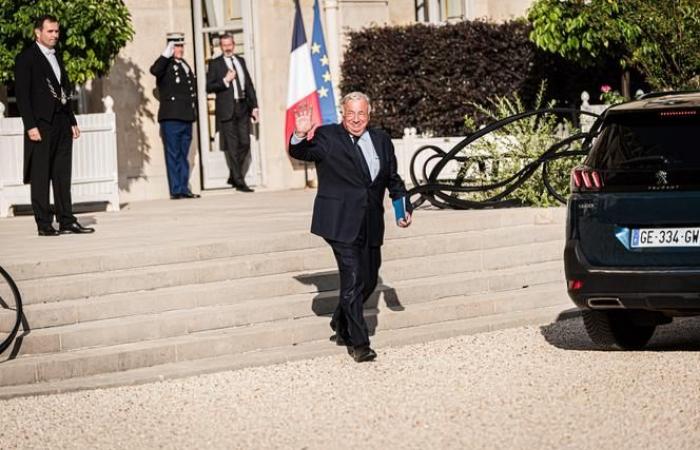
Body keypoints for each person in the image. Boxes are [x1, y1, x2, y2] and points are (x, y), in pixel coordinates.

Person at [289, 91, 413, 363]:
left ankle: (340, 322)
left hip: (371, 222)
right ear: (343, 113)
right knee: (354, 278)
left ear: (369, 114)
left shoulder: (381, 140)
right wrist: (299, 135)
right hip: (339, 220)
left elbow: (393, 179)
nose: (356, 119)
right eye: (351, 113)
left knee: (368, 279)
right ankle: (359, 343)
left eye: (362, 114)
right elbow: (302, 152)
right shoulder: (327, 136)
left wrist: (403, 208)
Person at [14, 15, 94, 236]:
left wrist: (71, 120)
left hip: (60, 122)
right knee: (40, 176)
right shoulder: (26, 58)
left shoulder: (57, 56)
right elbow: (22, 96)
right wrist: (30, 125)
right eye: (50, 31)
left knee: (62, 174)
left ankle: (67, 220)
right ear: (37, 33)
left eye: (56, 31)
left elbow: (62, 92)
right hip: (40, 125)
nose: (55, 35)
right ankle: (44, 223)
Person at [205, 34, 259, 192]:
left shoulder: (240, 61)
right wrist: (225, 80)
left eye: (229, 45)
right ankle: (240, 182)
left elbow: (248, 85)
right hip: (227, 109)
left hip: (242, 106)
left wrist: (254, 106)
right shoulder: (215, 64)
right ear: (220, 47)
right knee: (233, 146)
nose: (227, 48)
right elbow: (209, 86)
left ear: (234, 45)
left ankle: (234, 175)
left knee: (245, 143)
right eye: (224, 45)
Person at [150, 32, 200, 200]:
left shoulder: (185, 65)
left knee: (184, 155)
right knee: (173, 154)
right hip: (171, 118)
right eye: (176, 46)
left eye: (180, 46)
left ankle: (184, 187)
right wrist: (166, 54)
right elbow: (154, 70)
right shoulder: (165, 65)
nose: (179, 49)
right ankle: (176, 189)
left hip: (186, 116)